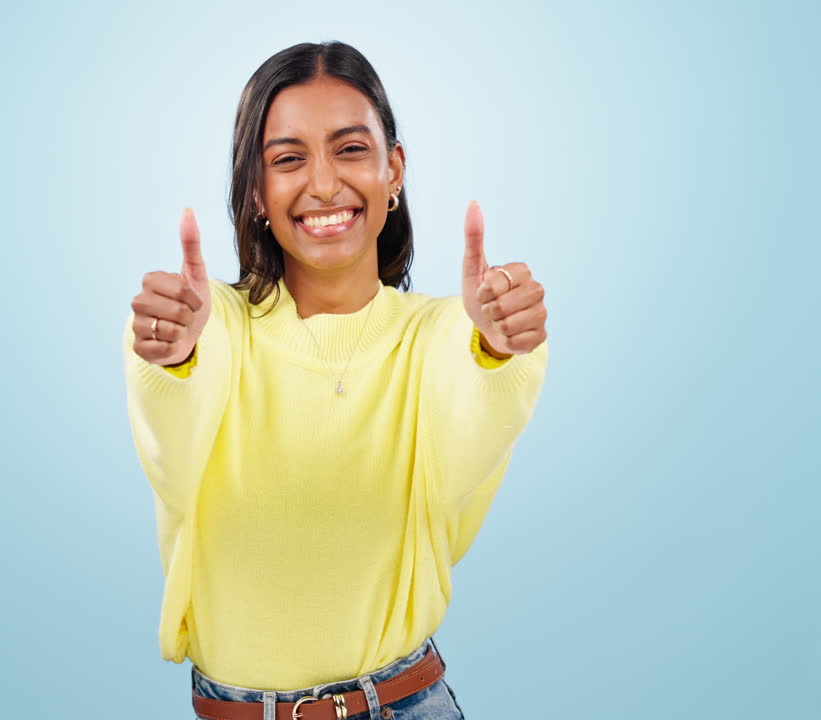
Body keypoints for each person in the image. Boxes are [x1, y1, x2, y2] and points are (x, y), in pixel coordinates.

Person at [123, 41, 549, 719]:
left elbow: (470, 432)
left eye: (350, 149)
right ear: (257, 192)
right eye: (289, 159)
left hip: (407, 701)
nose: (323, 185)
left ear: (394, 170)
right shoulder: (211, 327)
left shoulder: (444, 334)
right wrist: (174, 361)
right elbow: (172, 453)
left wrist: (496, 348)